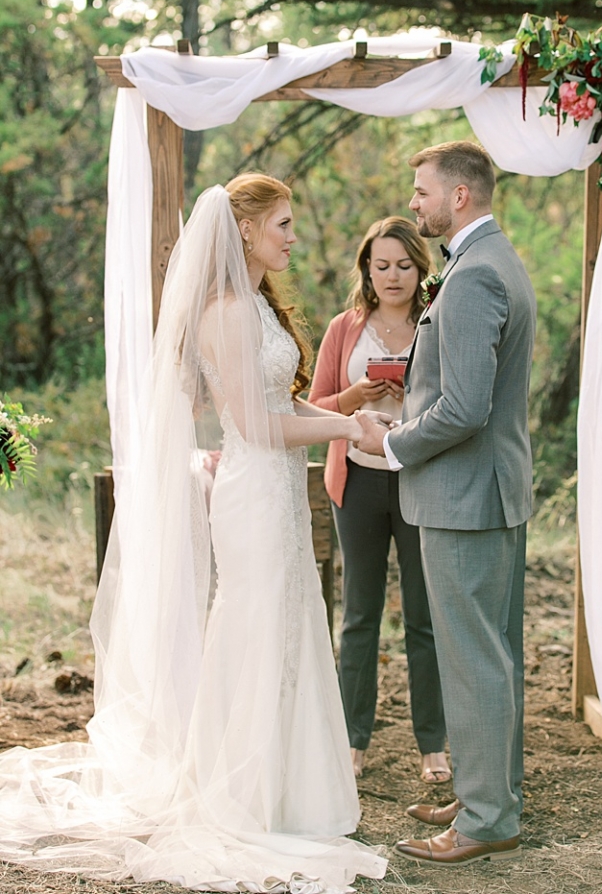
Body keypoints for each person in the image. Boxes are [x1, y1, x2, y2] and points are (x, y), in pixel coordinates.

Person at [0, 174, 387, 891]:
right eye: (284, 224)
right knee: (254, 632)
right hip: (254, 494)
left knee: (290, 628)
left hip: (277, 495)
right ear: (245, 229)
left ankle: (284, 792)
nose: (293, 237)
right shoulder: (227, 312)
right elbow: (256, 425)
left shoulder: (257, 307)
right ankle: (239, 796)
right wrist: (344, 427)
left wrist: (347, 408)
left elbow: (281, 396)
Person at [355, 141, 536, 867]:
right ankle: (492, 795)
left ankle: (489, 818)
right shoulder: (491, 262)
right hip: (486, 493)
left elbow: (462, 408)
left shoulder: (472, 278)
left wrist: (395, 447)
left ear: (460, 195)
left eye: (423, 190)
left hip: (465, 499)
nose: (416, 202)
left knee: (474, 661)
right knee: (491, 654)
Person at [309, 217, 449, 785]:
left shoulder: (438, 322)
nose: (393, 276)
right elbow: (314, 404)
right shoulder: (345, 328)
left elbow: (452, 398)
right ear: (366, 268)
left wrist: (411, 394)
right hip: (359, 483)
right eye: (381, 264)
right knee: (359, 616)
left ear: (421, 269)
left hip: (420, 480)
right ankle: (352, 742)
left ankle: (433, 745)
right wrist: (356, 396)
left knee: (424, 618)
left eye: (404, 265)